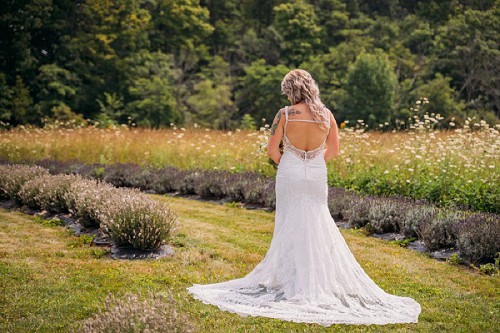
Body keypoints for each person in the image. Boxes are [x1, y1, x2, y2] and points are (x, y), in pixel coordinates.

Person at [187, 69, 421, 326]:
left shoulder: (285, 115)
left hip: (290, 172)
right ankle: (315, 279)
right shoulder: (326, 115)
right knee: (317, 221)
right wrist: (313, 162)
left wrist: (290, 162)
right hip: (317, 173)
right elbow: (334, 151)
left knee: (288, 221)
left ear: (291, 90)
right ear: (311, 87)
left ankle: (291, 278)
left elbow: (271, 150)